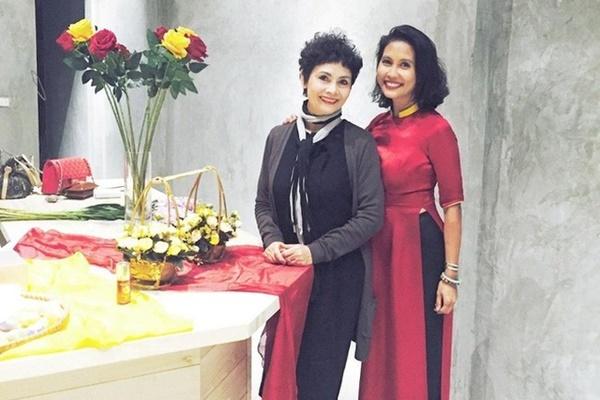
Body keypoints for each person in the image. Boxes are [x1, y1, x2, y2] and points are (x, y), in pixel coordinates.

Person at [255, 31, 384, 400]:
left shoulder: (359, 144)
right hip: (286, 278)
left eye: (343, 82)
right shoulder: (278, 137)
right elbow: (263, 202)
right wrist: (272, 240)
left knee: (317, 386)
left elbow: (370, 216)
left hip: (336, 282)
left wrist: (314, 252)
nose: (332, 90)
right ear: (304, 79)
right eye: (324, 77)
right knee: (277, 379)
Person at [359, 25, 464, 400]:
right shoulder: (376, 126)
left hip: (419, 247)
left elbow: (452, 207)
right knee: (380, 348)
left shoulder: (437, 130)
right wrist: (302, 124)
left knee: (417, 349)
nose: (392, 72)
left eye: (405, 65)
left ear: (422, 74)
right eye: (387, 62)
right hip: (377, 245)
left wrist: (450, 277)